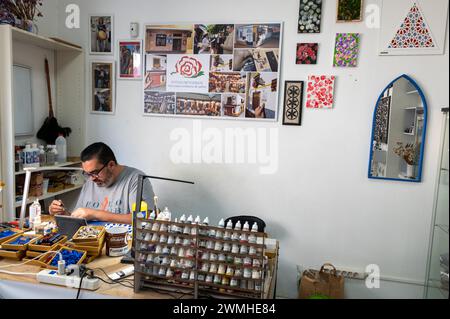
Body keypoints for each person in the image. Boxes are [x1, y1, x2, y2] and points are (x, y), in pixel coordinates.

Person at [49, 142, 154, 224]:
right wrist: (63, 213)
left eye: (94, 173)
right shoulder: (91, 180)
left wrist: (95, 214)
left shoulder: (136, 180)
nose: (91, 179)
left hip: (120, 243)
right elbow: (80, 217)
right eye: (87, 174)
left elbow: (142, 219)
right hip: (91, 241)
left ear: (111, 165)